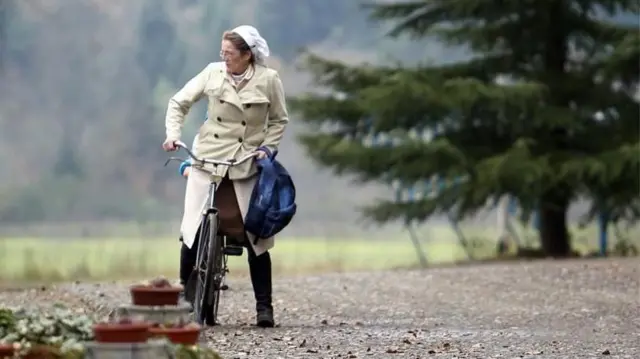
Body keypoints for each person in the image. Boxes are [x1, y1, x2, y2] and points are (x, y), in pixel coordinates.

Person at [163, 25, 289, 328]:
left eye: (230, 54)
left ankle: (264, 307)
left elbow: (279, 120)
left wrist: (268, 149)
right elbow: (178, 103)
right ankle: (185, 300)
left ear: (248, 55)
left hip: (246, 161)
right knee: (191, 230)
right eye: (222, 53)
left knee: (256, 236)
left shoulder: (269, 80)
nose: (224, 58)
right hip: (208, 156)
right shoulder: (212, 73)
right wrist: (172, 136)